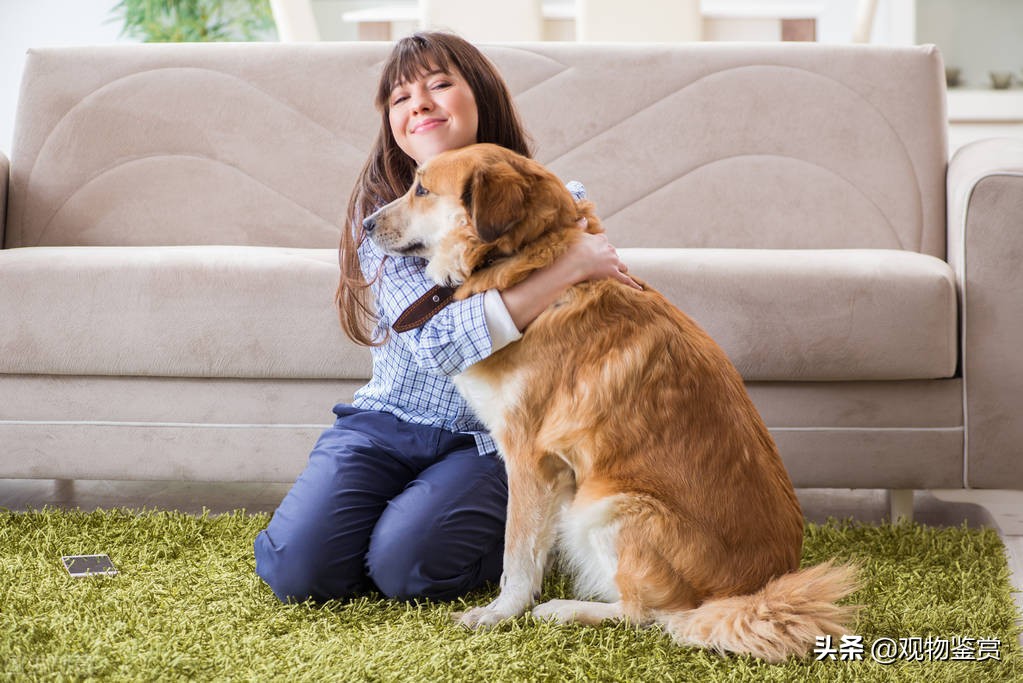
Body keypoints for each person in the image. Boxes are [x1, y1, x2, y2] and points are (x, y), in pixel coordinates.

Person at [254, 31, 636, 604]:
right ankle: (394, 522)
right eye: (401, 97)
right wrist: (565, 268)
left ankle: (441, 529)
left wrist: (578, 266)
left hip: (490, 441)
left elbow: (595, 320)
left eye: (439, 84)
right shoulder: (384, 218)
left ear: (480, 96)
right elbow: (438, 344)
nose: (420, 104)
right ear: (391, 122)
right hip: (387, 422)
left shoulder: (556, 198)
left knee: (408, 568)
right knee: (298, 571)